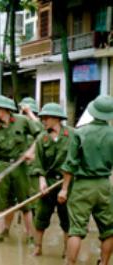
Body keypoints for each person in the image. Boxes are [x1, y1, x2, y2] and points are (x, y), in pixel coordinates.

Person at [58, 95, 113, 265]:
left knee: (76, 229)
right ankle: (104, 263)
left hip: (82, 185)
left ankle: (70, 263)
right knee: (109, 229)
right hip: (104, 185)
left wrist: (64, 189)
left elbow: (70, 165)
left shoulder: (79, 133)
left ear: (92, 112)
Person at [0, 95, 41, 243]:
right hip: (1, 165)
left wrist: (31, 151)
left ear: (4, 110)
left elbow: (40, 134)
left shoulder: (22, 121)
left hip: (20, 166)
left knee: (25, 204)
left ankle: (30, 237)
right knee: (1, 205)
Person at [32, 103, 73, 257]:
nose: (44, 121)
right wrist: (42, 181)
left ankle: (66, 250)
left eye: (46, 118)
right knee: (41, 216)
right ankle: (38, 247)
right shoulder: (41, 138)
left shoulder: (72, 135)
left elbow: (76, 160)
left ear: (56, 119)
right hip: (48, 182)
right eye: (42, 118)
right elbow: (38, 163)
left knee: (67, 217)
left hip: (66, 182)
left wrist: (66, 187)